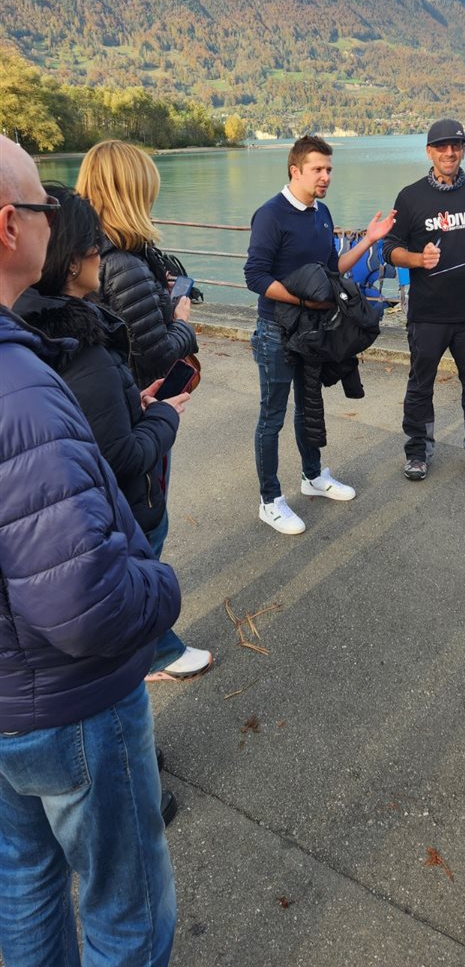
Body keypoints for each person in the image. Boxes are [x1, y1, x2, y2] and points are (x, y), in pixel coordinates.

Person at [0, 136, 180, 966]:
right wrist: (161, 590)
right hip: (65, 705)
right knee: (127, 912)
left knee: (25, 888)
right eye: (43, 204)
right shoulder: (24, 390)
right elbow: (83, 603)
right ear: (11, 228)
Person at [76, 140, 211, 681]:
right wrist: (183, 318)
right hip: (139, 407)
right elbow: (153, 350)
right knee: (144, 525)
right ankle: (153, 650)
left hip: (108, 409)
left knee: (121, 524)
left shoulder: (88, 257)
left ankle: (145, 644)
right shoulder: (126, 266)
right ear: (132, 193)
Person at [244, 134, 396, 534]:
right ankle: (269, 499)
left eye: (329, 169)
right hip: (276, 330)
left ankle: (312, 477)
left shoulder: (321, 213)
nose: (326, 176)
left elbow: (333, 268)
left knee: (309, 406)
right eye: (318, 169)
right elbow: (255, 277)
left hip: (311, 332)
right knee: (271, 416)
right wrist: (303, 303)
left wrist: (369, 240)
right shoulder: (271, 215)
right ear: (296, 170)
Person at [383, 118, 465, 482]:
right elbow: (389, 249)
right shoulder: (410, 197)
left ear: (464, 149)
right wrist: (416, 259)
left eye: (456, 145)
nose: (449, 152)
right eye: (442, 146)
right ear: (429, 152)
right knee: (420, 384)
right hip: (427, 313)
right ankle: (418, 452)